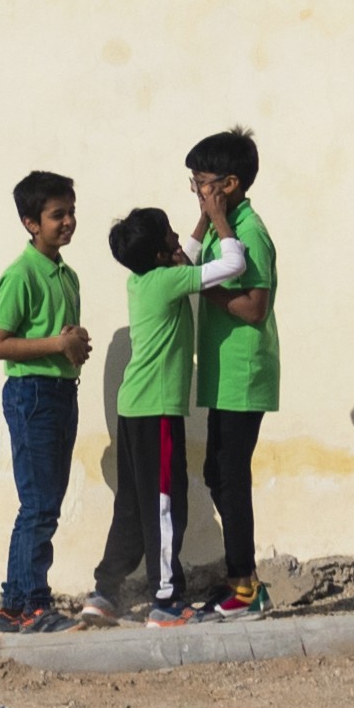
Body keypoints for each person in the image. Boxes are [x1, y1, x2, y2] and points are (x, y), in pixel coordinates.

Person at [0, 171, 94, 634]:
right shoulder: (21, 274)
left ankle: (13, 607)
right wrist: (57, 345)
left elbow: (62, 339)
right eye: (57, 215)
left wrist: (75, 344)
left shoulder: (66, 275)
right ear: (31, 222)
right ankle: (33, 605)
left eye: (71, 211)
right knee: (38, 506)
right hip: (32, 396)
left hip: (59, 393)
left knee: (42, 502)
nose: (68, 221)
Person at [185, 130, 280, 618]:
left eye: (203, 183)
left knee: (231, 476)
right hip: (223, 373)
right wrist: (207, 218)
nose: (197, 190)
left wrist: (206, 290)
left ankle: (245, 587)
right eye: (195, 183)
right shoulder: (226, 224)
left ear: (231, 183)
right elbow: (190, 261)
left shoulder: (250, 232)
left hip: (245, 372)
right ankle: (242, 580)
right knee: (216, 472)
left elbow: (255, 307)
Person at [93, 208, 202, 624]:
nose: (179, 237)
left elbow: (183, 259)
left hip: (133, 407)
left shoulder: (141, 281)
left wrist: (202, 223)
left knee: (133, 506)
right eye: (171, 234)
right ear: (160, 254)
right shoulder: (168, 280)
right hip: (157, 411)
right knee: (164, 505)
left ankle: (104, 592)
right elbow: (230, 266)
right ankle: (166, 600)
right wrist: (219, 222)